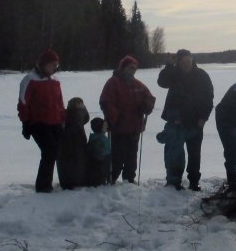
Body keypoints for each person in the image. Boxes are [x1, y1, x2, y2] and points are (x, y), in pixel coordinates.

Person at [156, 49, 214, 191]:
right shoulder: (174, 73)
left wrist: (204, 117)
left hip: (196, 121)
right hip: (176, 121)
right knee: (174, 153)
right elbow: (162, 82)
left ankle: (194, 182)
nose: (186, 64)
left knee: (194, 154)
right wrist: (169, 65)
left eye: (188, 61)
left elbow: (209, 98)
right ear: (178, 62)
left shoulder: (202, 75)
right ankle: (174, 182)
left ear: (192, 60)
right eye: (183, 62)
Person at [99, 55, 156, 184]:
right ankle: (111, 179)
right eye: (130, 68)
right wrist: (114, 118)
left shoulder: (138, 85)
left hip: (135, 126)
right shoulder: (113, 83)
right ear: (123, 68)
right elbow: (106, 101)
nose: (133, 70)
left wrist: (147, 105)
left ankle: (129, 180)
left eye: (135, 68)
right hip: (119, 127)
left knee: (132, 157)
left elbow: (149, 98)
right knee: (117, 157)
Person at [17, 49, 64, 193]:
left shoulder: (55, 81)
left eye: (56, 65)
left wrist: (62, 120)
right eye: (52, 64)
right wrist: (26, 123)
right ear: (44, 64)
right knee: (49, 151)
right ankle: (43, 186)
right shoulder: (30, 79)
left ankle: (56, 181)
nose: (55, 67)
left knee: (55, 152)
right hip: (38, 124)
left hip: (55, 123)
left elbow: (60, 103)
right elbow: (23, 103)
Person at [57, 97, 89, 189]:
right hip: (77, 144)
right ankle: (77, 180)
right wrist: (83, 109)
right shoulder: (78, 115)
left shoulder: (65, 115)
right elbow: (86, 118)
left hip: (65, 145)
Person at [85, 117, 111, 187]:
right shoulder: (103, 140)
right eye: (105, 126)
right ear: (101, 128)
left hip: (91, 172)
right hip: (100, 174)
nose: (106, 128)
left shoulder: (92, 138)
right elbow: (106, 155)